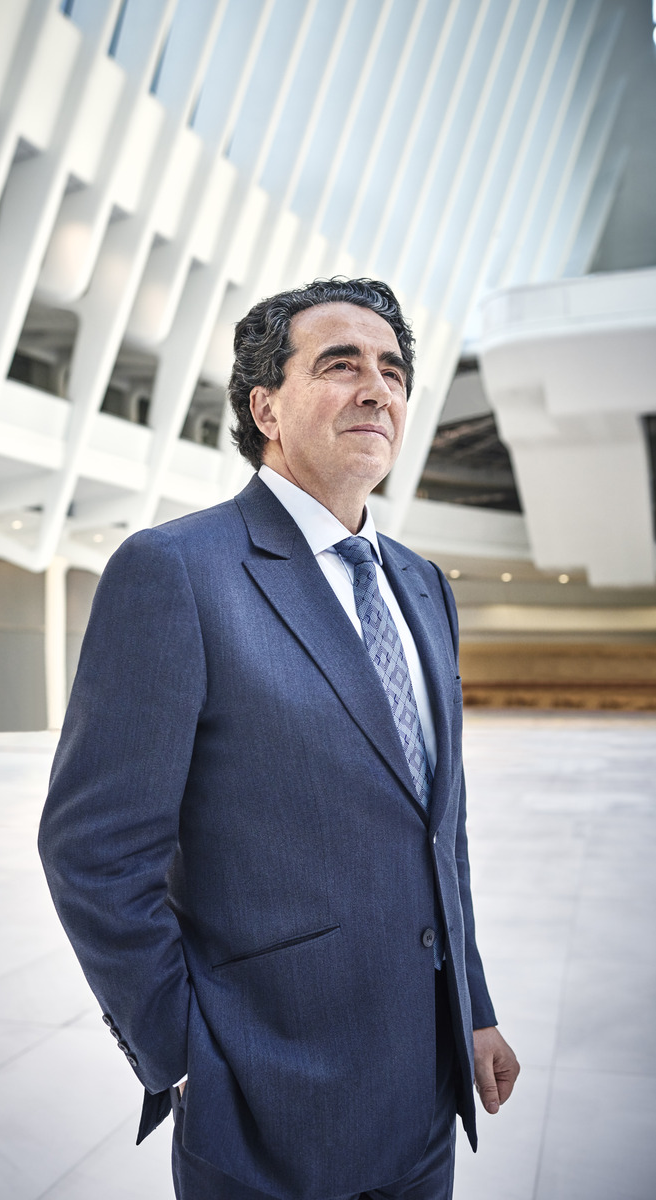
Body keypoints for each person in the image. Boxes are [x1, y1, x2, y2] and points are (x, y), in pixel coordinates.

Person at [39, 277, 519, 1200]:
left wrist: (472, 1010)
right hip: (266, 1107)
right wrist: (185, 1057)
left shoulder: (422, 585)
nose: (376, 389)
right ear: (264, 407)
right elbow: (92, 852)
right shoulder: (176, 572)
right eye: (340, 365)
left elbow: (436, 834)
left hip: (425, 1093)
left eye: (392, 371)